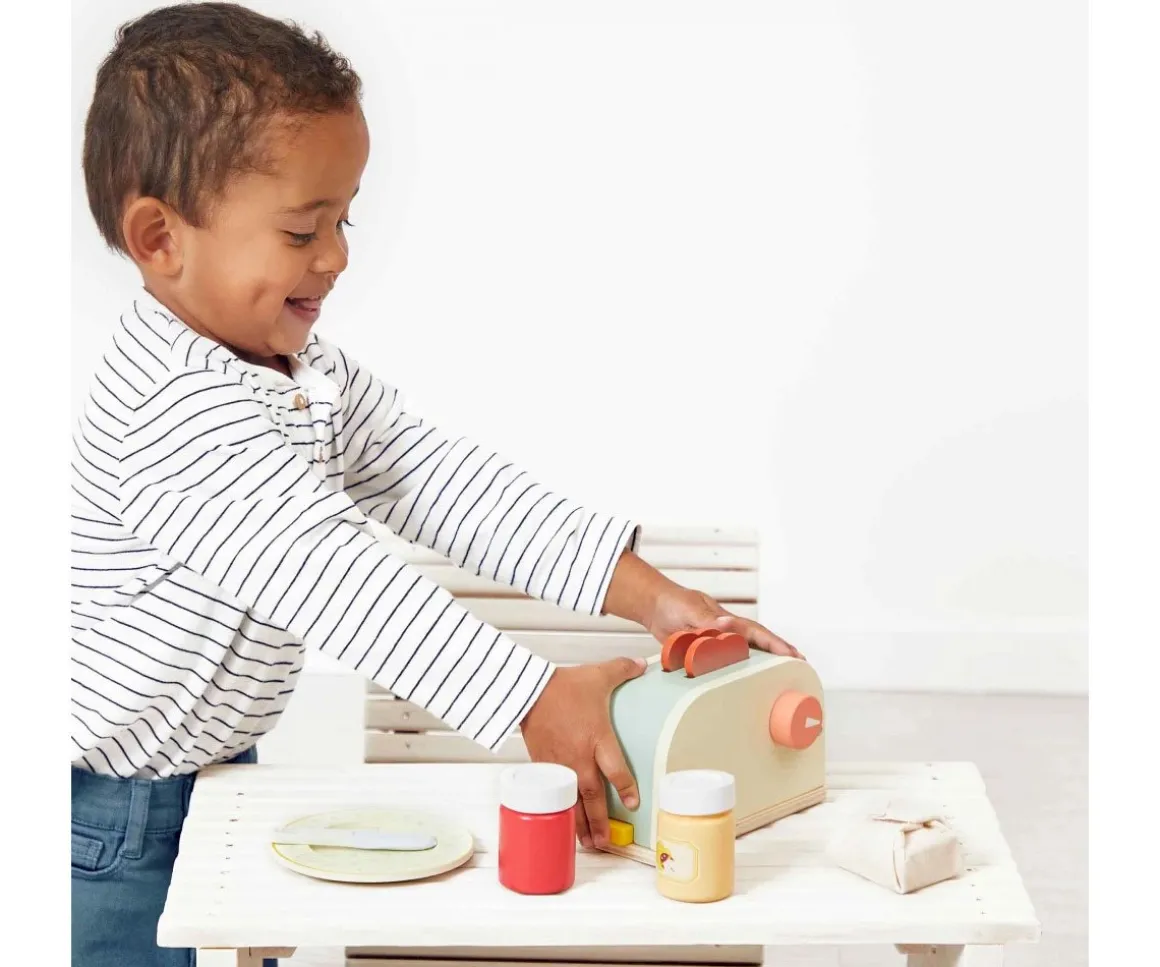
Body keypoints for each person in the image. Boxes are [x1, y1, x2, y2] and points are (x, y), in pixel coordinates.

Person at [71, 4, 801, 965]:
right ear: (161, 238)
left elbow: (435, 477)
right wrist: (533, 696)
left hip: (206, 767)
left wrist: (653, 594)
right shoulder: (173, 410)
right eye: (301, 229)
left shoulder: (295, 369)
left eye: (344, 217)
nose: (335, 255)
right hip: (108, 815)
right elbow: (333, 575)